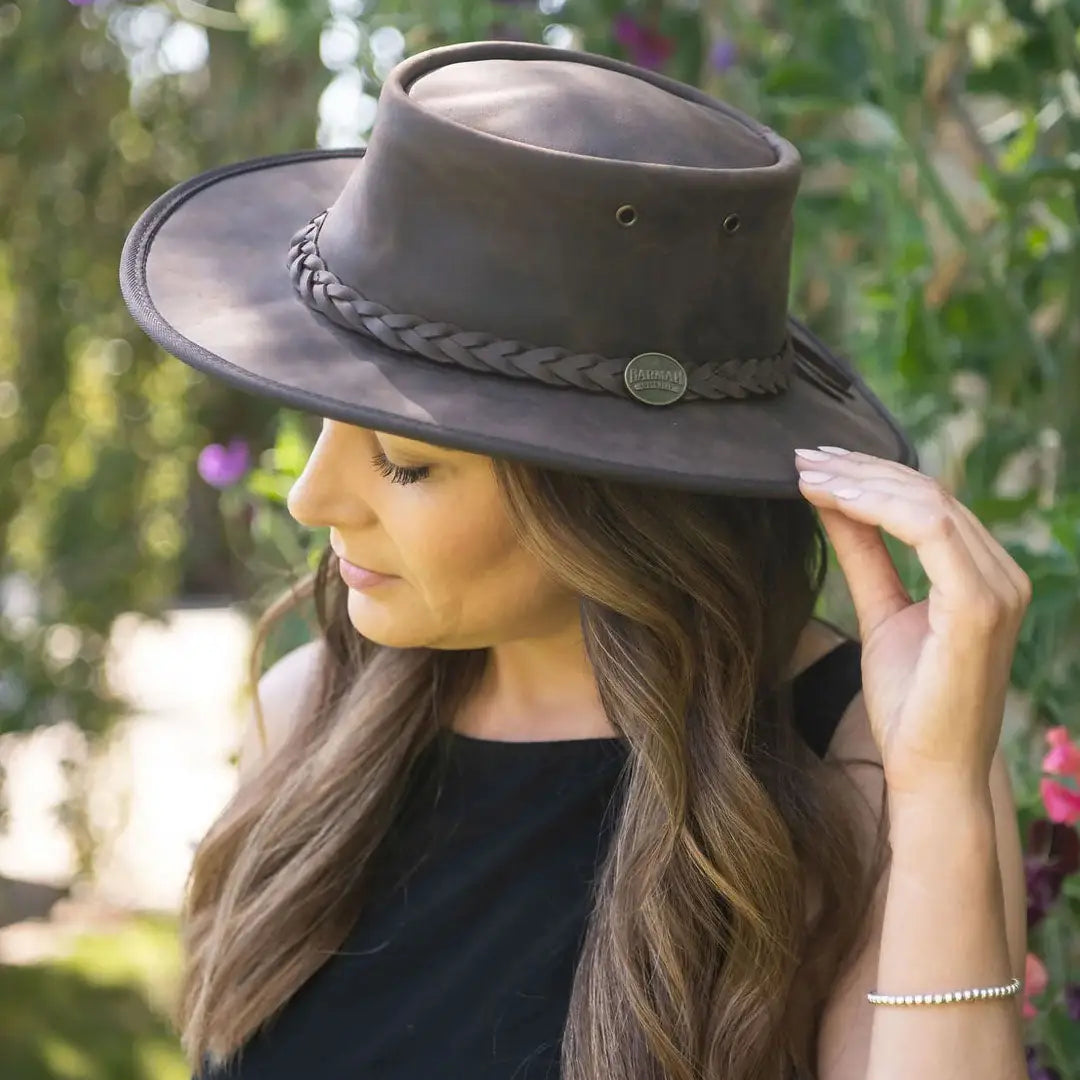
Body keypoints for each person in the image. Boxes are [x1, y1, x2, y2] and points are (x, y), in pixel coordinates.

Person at [119, 39, 1032, 1080]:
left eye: (406, 464)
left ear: (606, 503)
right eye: (323, 422)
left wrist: (944, 800)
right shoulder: (311, 714)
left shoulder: (862, 765)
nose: (311, 497)